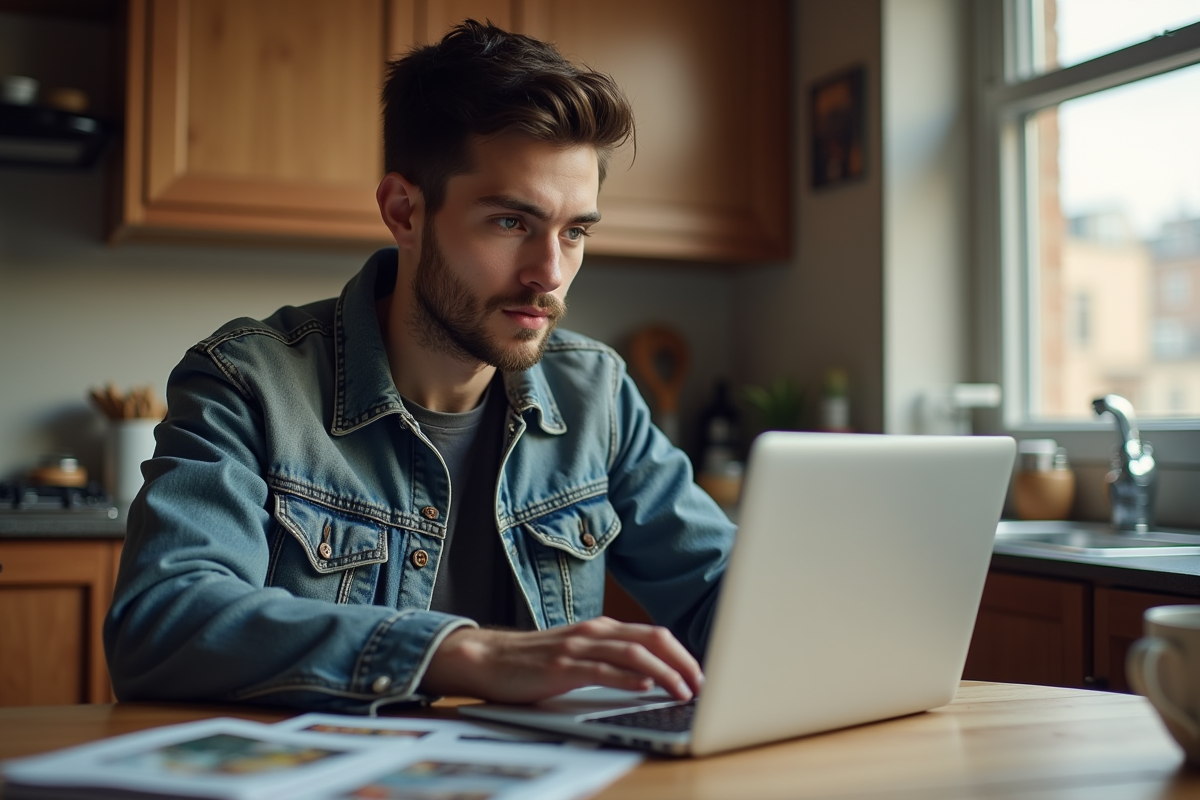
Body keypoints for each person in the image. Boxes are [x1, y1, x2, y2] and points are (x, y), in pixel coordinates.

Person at [104, 20, 735, 714]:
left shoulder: (596, 394)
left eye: (575, 231)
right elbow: (163, 622)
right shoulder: (247, 383)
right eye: (511, 223)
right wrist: (460, 654)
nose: (549, 275)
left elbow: (724, 590)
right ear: (405, 212)